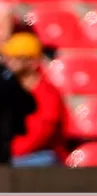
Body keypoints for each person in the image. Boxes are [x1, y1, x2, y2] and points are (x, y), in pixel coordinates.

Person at [3, 33, 65, 167]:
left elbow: (41, 134)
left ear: (33, 62)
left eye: (16, 58)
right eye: (8, 58)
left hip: (39, 155)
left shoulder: (48, 94)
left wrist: (10, 152)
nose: (10, 62)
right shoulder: (10, 89)